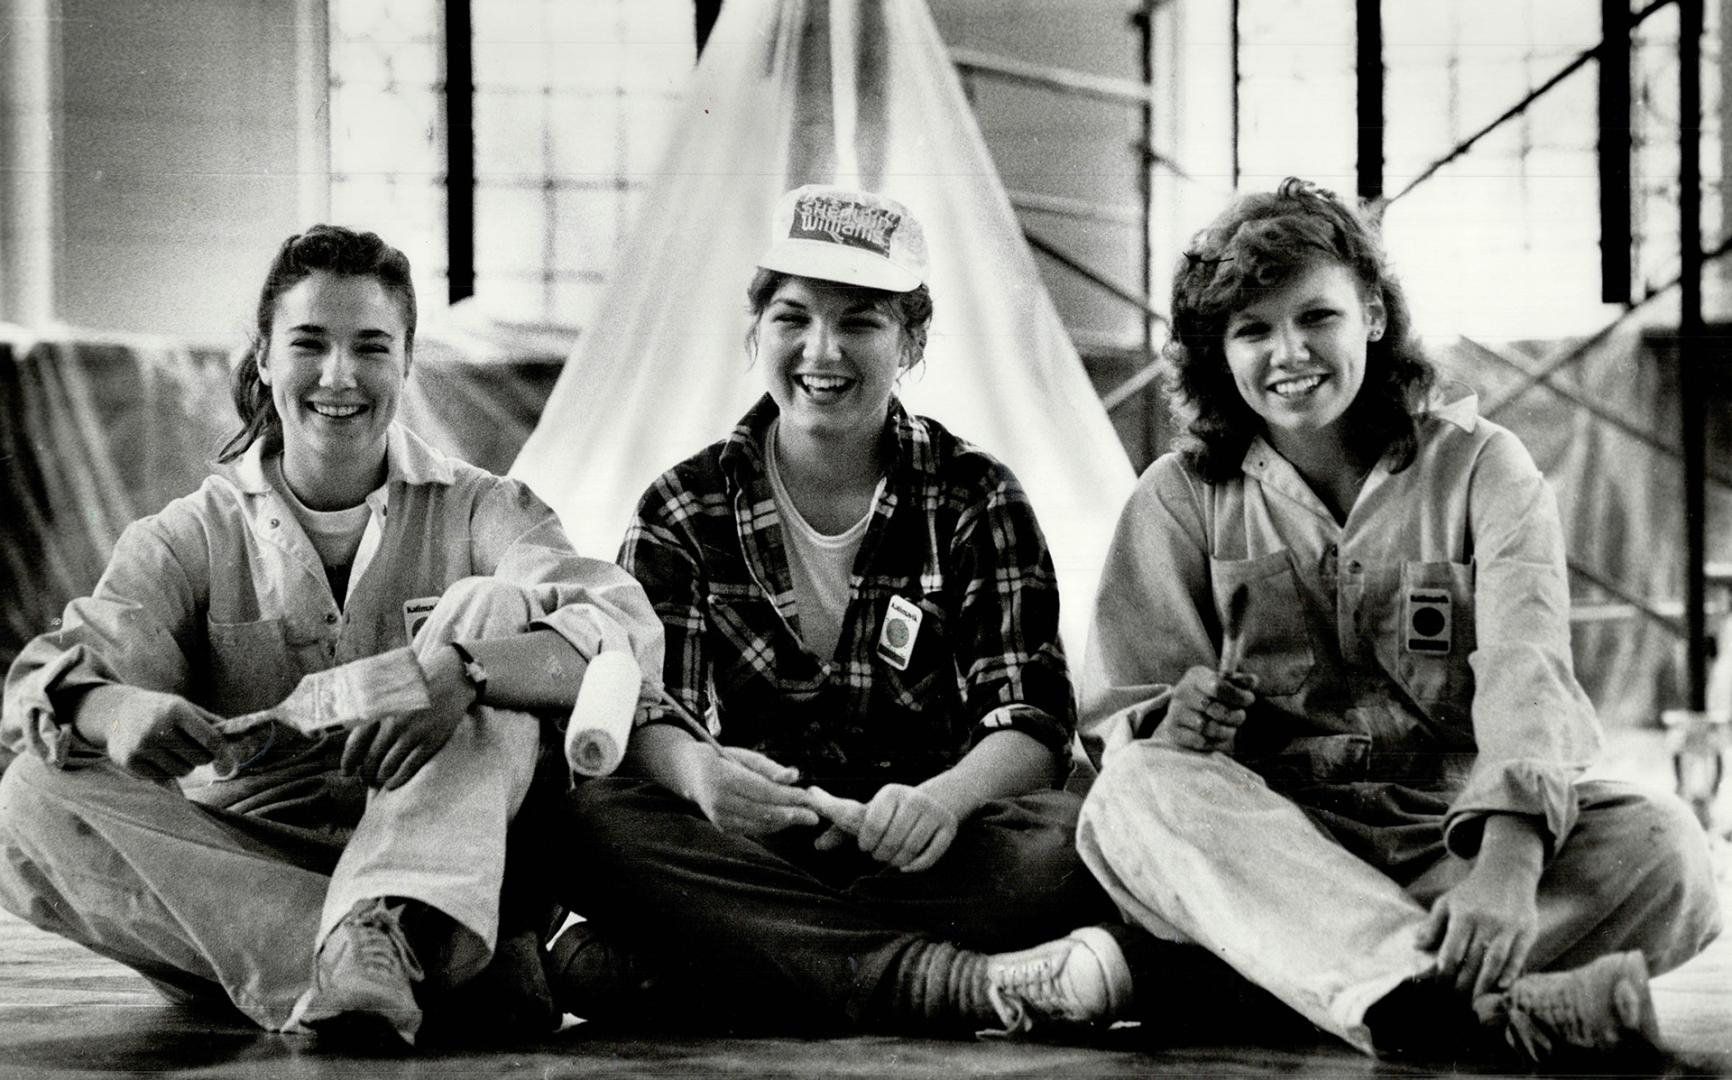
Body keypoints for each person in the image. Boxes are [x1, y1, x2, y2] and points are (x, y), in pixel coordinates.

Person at [1065, 178, 1721, 1066]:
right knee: (1134, 794)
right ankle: (1457, 1005)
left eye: (1316, 317)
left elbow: (1530, 675)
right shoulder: (1178, 498)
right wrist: (1166, 719)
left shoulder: (1486, 468)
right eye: (1252, 330)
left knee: (1668, 850)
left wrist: (1507, 866)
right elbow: (1123, 717)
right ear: (1220, 354)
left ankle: (1338, 990)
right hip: (1276, 856)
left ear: (1372, 315)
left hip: (1449, 846)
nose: (1288, 352)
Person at [0, 226, 662, 1048]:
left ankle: (396, 933)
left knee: (492, 607)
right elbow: (45, 681)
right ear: (265, 361)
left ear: (407, 363)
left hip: (457, 857)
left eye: (371, 348)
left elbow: (618, 629)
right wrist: (111, 707)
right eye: (309, 343)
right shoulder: (190, 535)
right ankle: (420, 964)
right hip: (252, 871)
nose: (339, 376)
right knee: (29, 798)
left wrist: (463, 671)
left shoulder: (484, 508)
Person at [546, 184, 1125, 1036]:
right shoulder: (683, 506)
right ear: (758, 328)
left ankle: (735, 959)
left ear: (912, 338)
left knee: (1071, 838)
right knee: (589, 824)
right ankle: (953, 985)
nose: (823, 350)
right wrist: (702, 777)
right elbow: (642, 706)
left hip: (931, 855)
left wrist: (942, 801)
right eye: (793, 317)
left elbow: (1032, 720)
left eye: (861, 321)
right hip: (746, 846)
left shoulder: (978, 497)